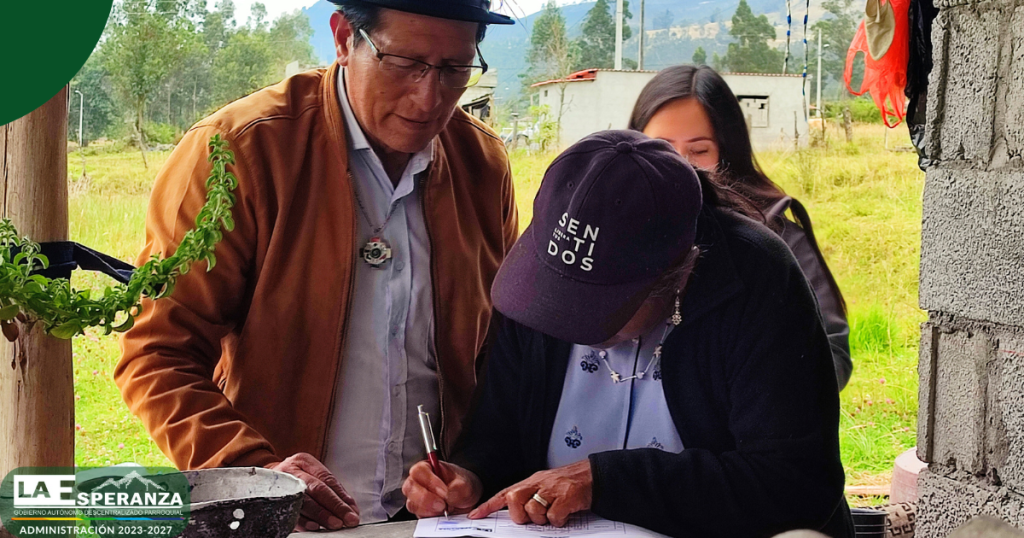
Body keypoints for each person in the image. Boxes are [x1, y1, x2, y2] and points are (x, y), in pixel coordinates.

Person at [114, 0, 518, 532]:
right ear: (345, 37)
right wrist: (256, 474)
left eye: (454, 69)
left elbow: (501, 356)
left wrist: (475, 467)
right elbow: (157, 353)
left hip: (429, 521)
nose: (429, 97)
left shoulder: (482, 165)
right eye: (406, 64)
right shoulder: (240, 151)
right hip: (286, 519)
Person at [401, 131, 853, 538]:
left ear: (680, 273)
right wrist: (471, 476)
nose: (562, 318)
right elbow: (499, 432)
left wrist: (606, 481)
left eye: (593, 305)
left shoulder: (756, 280)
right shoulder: (540, 276)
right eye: (556, 293)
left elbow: (795, 483)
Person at [629, 64, 853, 390]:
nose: (679, 166)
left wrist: (742, 385)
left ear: (727, 152)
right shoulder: (605, 228)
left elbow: (832, 355)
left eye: (699, 150)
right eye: (661, 148)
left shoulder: (774, 234)